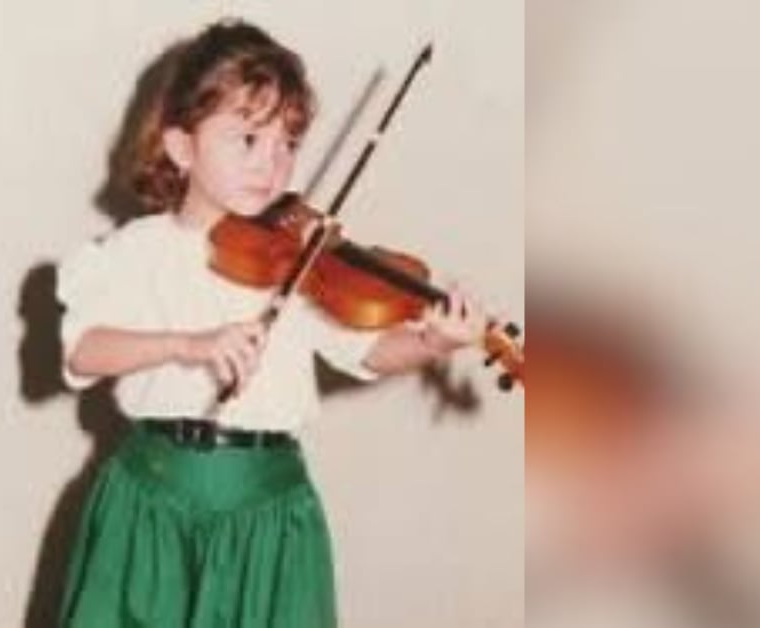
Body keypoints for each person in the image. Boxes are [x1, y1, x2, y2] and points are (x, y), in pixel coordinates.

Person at [56, 18, 485, 627]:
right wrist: (189, 345)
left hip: (268, 511)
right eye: (249, 139)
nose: (273, 164)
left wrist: (432, 342)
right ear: (181, 147)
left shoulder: (300, 255)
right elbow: (84, 351)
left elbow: (364, 349)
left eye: (287, 143)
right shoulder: (136, 250)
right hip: (151, 504)